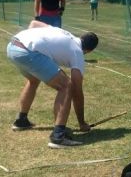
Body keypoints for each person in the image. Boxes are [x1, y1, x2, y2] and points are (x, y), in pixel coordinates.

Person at [7, 20, 99, 148]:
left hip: (12, 46)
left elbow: (34, 24)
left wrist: (32, 41)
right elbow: (77, 91)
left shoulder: (64, 33)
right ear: (88, 51)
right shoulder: (77, 52)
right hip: (27, 52)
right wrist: (82, 123)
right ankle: (58, 136)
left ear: (81, 37)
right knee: (67, 86)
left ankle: (21, 120)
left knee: (33, 80)